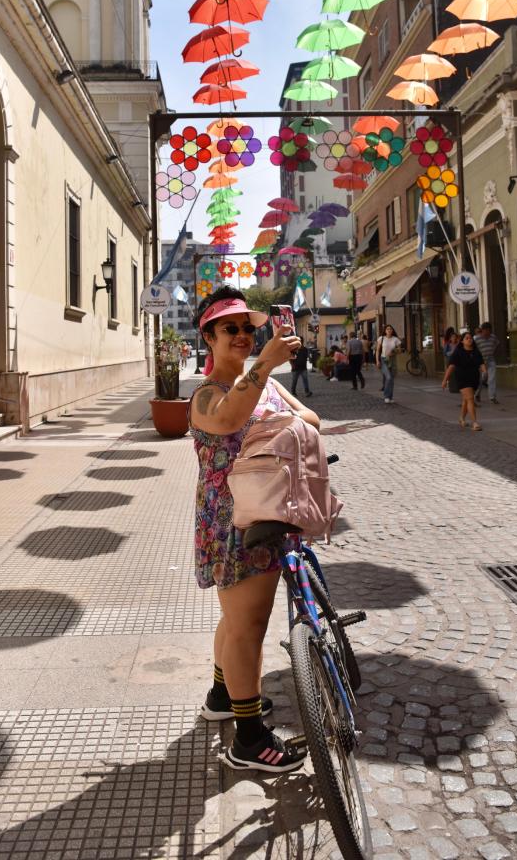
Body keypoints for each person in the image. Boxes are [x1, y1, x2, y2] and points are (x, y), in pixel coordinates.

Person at [189, 286, 319, 773]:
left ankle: (224, 695)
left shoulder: (260, 384)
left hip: (267, 509)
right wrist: (264, 367)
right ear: (209, 338)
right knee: (248, 626)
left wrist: (272, 403)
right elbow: (226, 418)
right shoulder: (205, 394)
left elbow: (311, 418)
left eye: (249, 327)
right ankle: (249, 739)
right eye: (231, 328)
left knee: (236, 618)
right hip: (233, 522)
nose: (243, 335)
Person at [442, 330, 487, 431]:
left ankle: (461, 418)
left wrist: (485, 372)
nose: (469, 340)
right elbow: (451, 367)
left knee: (466, 400)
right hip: (462, 378)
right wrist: (445, 380)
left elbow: (481, 363)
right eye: (467, 338)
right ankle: (475, 423)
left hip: (474, 378)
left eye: (470, 338)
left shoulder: (476, 351)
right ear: (462, 341)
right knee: (470, 398)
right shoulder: (458, 352)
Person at [474, 322, 500, 405]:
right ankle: (477, 394)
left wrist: (492, 352)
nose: (488, 333)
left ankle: (492, 397)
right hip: (480, 362)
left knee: (492, 379)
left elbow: (497, 344)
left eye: (489, 331)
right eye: (486, 331)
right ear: (482, 330)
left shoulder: (493, 337)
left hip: (491, 361)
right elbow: (473, 349)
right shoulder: (476, 339)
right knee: (481, 379)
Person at [376, 323, 400, 403]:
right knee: (388, 377)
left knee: (391, 380)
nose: (389, 330)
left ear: (392, 330)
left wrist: (394, 352)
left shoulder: (395, 339)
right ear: (385, 331)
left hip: (392, 360)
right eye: (387, 329)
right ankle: (386, 396)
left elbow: (399, 350)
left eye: (390, 329)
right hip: (383, 360)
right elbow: (377, 350)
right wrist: (377, 361)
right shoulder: (381, 338)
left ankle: (390, 397)